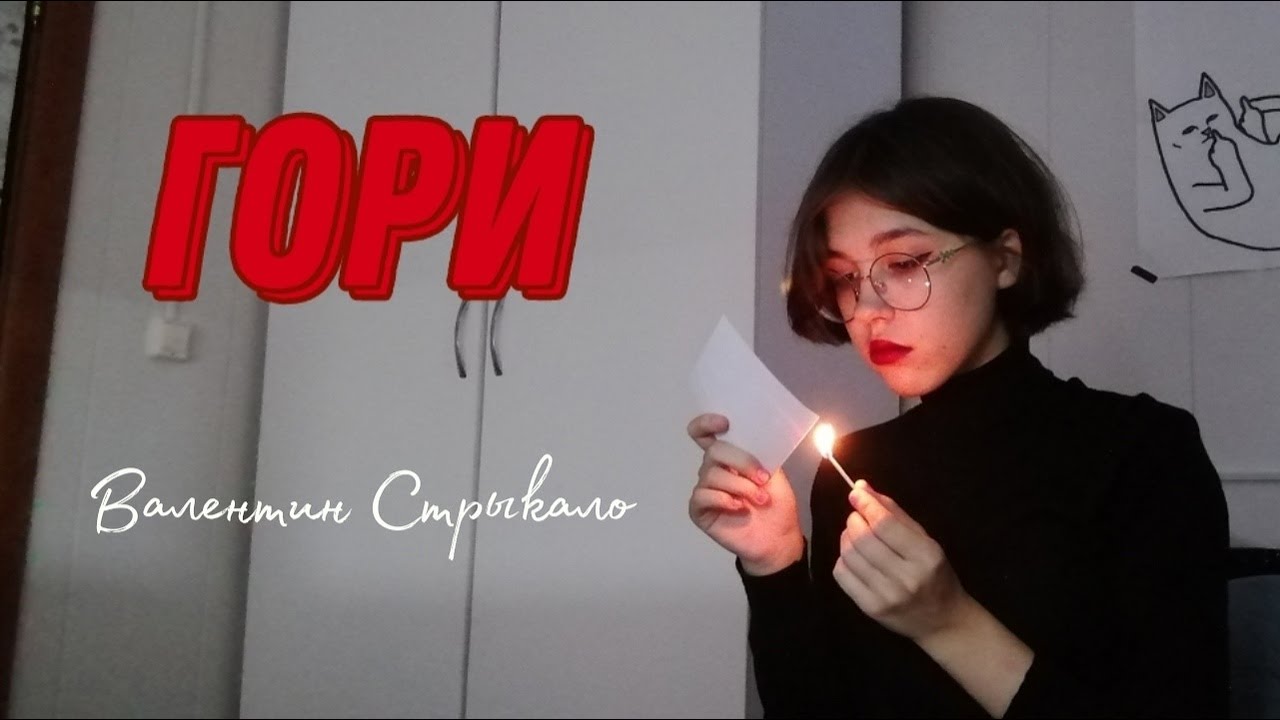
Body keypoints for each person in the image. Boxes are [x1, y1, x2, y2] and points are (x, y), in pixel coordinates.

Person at [685, 96, 1230, 719]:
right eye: (844, 277)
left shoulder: (1143, 453)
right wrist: (774, 560)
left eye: (903, 263)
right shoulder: (854, 471)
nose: (869, 309)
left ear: (1005, 258)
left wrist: (948, 622)